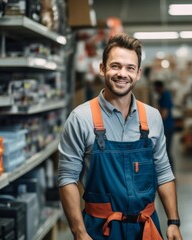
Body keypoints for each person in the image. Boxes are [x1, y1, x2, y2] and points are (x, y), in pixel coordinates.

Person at [58, 33, 183, 240]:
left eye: (130, 68)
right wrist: (79, 232)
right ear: (102, 68)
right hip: (100, 229)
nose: (122, 74)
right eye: (115, 66)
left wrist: (173, 222)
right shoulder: (81, 118)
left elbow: (163, 172)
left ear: (139, 73)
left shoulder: (152, 118)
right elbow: (67, 178)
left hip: (146, 228)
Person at [153, 80, 176, 173]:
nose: (154, 90)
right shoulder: (164, 95)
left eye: (155, 88)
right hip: (167, 126)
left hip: (167, 127)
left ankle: (169, 171)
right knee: (165, 149)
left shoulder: (165, 96)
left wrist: (154, 120)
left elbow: (164, 114)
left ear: (159, 87)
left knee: (166, 150)